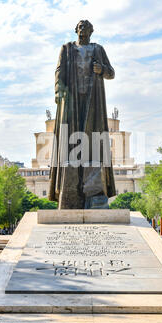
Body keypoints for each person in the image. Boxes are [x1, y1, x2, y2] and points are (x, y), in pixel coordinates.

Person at [49, 20, 116, 209]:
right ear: (75, 30)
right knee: (70, 142)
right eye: (80, 27)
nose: (82, 30)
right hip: (71, 100)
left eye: (86, 28)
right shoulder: (67, 49)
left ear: (91, 31)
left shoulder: (98, 49)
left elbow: (111, 73)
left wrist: (101, 69)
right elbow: (59, 71)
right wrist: (58, 90)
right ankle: (70, 194)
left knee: (93, 143)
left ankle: (93, 194)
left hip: (92, 100)